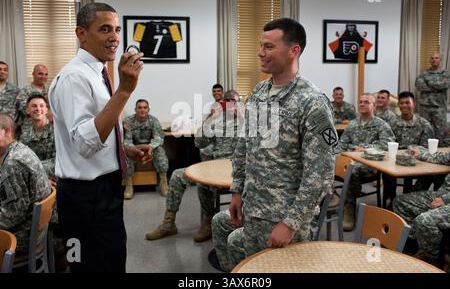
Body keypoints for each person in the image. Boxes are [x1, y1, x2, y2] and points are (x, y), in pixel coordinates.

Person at [211, 18, 337, 272]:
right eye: (260, 45)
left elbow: (320, 174)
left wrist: (290, 223)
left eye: (269, 47)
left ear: (294, 51)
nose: (260, 52)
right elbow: (245, 147)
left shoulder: (313, 102)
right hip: (253, 208)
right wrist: (236, 191)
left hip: (284, 219)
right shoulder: (259, 92)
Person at [48, 2, 150, 273]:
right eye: (105, 29)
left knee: (110, 260)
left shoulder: (98, 73)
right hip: (85, 198)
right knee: (89, 265)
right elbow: (83, 143)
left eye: (117, 29)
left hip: (102, 190)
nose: (115, 37)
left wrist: (123, 149)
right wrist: (125, 91)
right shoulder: (74, 78)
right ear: (81, 33)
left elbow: (95, 129)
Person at [145, 90, 242, 243]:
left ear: (239, 103)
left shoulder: (247, 121)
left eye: (234, 101)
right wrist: (210, 120)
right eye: (227, 100)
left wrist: (241, 118)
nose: (230, 104)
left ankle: (207, 221)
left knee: (203, 182)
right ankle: (169, 223)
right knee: (177, 175)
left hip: (237, 170)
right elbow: (199, 143)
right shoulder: (216, 121)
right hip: (216, 166)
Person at [335, 93, 395, 231]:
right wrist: (335, 158)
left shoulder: (380, 124)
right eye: (360, 101)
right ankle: (336, 199)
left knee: (351, 170)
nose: (362, 104)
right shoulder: (353, 124)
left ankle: (349, 208)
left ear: (373, 106)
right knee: (327, 165)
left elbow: (388, 143)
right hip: (350, 160)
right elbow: (342, 144)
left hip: (369, 164)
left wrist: (367, 148)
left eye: (366, 102)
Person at [0, 113, 51, 256]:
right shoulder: (19, 149)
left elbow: (13, 217)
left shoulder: (13, 162)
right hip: (31, 229)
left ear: (7, 131)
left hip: (21, 237)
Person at [393, 148, 450, 266]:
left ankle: (433, 259)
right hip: (442, 195)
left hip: (446, 199)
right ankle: (421, 245)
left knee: (424, 221)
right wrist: (421, 154)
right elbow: (443, 158)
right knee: (401, 202)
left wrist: (445, 199)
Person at [382, 91, 434, 202]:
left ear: (413, 104)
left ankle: (411, 198)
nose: (404, 106)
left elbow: (426, 147)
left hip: (418, 161)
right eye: (401, 103)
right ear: (398, 105)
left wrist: (415, 152)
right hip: (396, 160)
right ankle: (393, 200)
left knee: (430, 174)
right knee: (386, 172)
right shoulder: (392, 122)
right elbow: (387, 142)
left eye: (407, 103)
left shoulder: (424, 124)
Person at [123, 99, 169, 199]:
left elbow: (158, 138)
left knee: (160, 151)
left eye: (145, 107)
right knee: (126, 153)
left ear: (148, 109)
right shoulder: (128, 121)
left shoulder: (153, 121)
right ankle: (128, 185)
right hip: (135, 148)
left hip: (150, 147)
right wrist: (134, 149)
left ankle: (163, 182)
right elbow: (127, 141)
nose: (142, 110)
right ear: (135, 109)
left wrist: (150, 147)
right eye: (139, 107)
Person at [18, 94, 57, 185]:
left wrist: (34, 171)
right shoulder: (25, 133)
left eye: (41, 106)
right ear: (27, 110)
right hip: (33, 180)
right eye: (34, 106)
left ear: (46, 110)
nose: (38, 109)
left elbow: (59, 162)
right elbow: (21, 159)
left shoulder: (55, 130)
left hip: (55, 180)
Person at [415, 53, 449, 145]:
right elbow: (419, 86)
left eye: (436, 58)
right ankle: (424, 150)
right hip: (425, 106)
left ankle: (440, 151)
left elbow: (444, 85)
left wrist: (428, 81)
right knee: (424, 130)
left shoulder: (445, 73)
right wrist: (437, 87)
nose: (434, 60)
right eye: (432, 58)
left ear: (440, 60)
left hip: (440, 107)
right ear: (430, 60)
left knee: (440, 132)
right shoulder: (424, 73)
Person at [15, 64, 49, 131]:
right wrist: (45, 101)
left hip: (47, 130)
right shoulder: (25, 91)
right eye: (40, 74)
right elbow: (24, 110)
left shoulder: (50, 91)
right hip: (29, 130)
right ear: (33, 74)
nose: (43, 76)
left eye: (46, 74)